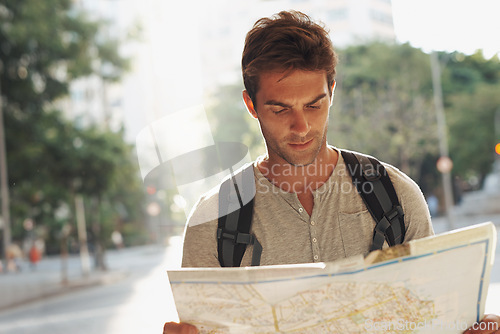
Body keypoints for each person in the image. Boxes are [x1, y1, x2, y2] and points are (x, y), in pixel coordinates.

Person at [164, 10, 500, 334]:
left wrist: (475, 327)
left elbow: (434, 317)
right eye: (280, 109)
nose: (301, 126)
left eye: (314, 104)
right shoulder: (214, 220)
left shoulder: (395, 194)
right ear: (251, 105)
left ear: (332, 92)